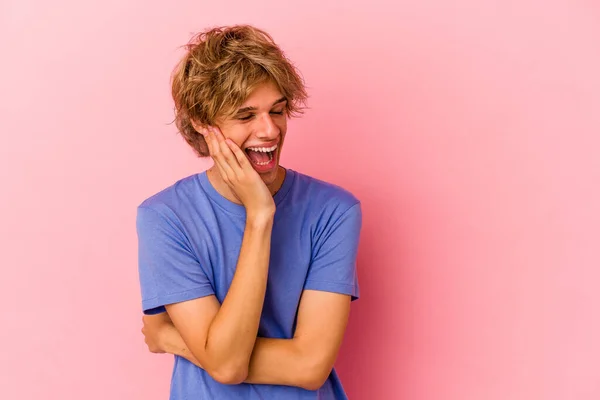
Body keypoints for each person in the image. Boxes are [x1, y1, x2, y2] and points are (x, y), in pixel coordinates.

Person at [136, 24, 362, 399]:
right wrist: (258, 216)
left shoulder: (333, 211)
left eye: (278, 110)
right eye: (245, 116)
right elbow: (225, 364)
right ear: (201, 123)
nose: (269, 130)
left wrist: (174, 340)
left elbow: (310, 367)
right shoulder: (165, 217)